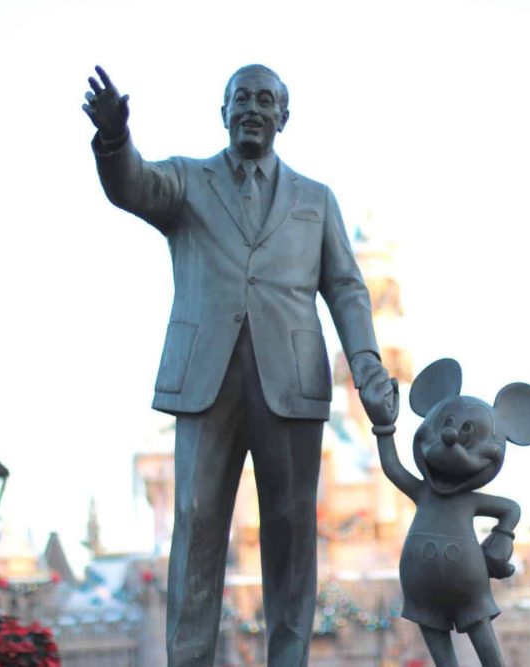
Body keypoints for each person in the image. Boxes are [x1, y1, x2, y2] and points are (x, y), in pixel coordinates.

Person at [83, 64, 395, 667]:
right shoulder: (188, 181)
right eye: (241, 99)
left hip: (293, 385)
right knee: (197, 525)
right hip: (206, 382)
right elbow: (133, 185)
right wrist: (115, 140)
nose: (252, 108)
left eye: (265, 100)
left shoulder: (315, 199)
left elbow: (348, 290)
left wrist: (367, 366)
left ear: (284, 116)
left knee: (291, 535)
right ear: (222, 111)